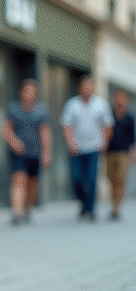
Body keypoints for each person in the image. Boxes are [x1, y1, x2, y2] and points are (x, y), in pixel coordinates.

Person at [61, 76, 114, 221]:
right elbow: (66, 125)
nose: (87, 90)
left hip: (94, 148)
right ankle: (83, 203)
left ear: (93, 89)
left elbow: (108, 125)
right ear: (80, 88)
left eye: (90, 87)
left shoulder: (101, 105)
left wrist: (104, 142)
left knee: (91, 179)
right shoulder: (72, 105)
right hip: (76, 148)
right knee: (77, 179)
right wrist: (70, 143)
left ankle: (90, 209)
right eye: (85, 87)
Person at [1, 79, 52, 225]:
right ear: (21, 93)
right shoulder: (14, 109)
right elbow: (6, 129)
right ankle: (16, 211)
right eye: (26, 91)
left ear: (35, 94)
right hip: (18, 152)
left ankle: (27, 208)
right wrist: (13, 142)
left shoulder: (41, 111)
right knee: (18, 179)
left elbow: (45, 132)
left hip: (35, 153)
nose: (28, 94)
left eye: (31, 92)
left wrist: (46, 152)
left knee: (32, 183)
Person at [106, 90, 135, 220]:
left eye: (123, 98)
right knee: (112, 180)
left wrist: (133, 153)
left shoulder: (129, 117)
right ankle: (114, 203)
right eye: (118, 98)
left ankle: (116, 208)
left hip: (123, 153)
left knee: (120, 180)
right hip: (110, 152)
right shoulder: (109, 115)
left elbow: (133, 138)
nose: (120, 100)